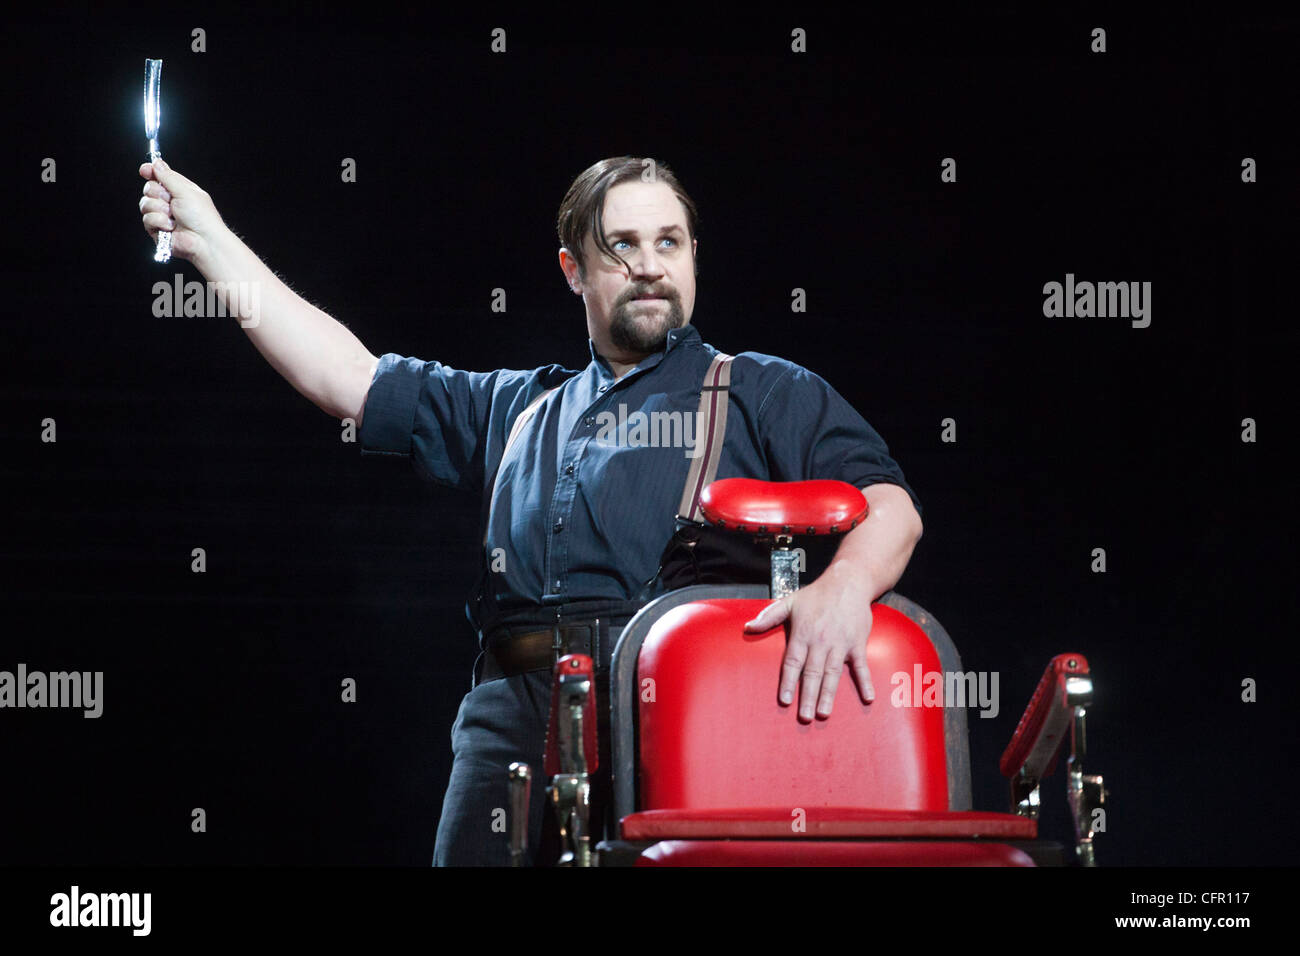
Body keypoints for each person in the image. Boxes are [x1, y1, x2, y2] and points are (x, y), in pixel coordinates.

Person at [138, 154, 925, 866]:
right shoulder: (516, 405)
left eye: (669, 243)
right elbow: (349, 379)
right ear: (574, 268)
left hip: (678, 709)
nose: (648, 266)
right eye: (621, 245)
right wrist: (211, 242)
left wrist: (846, 584)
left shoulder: (764, 389)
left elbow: (890, 504)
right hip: (508, 723)